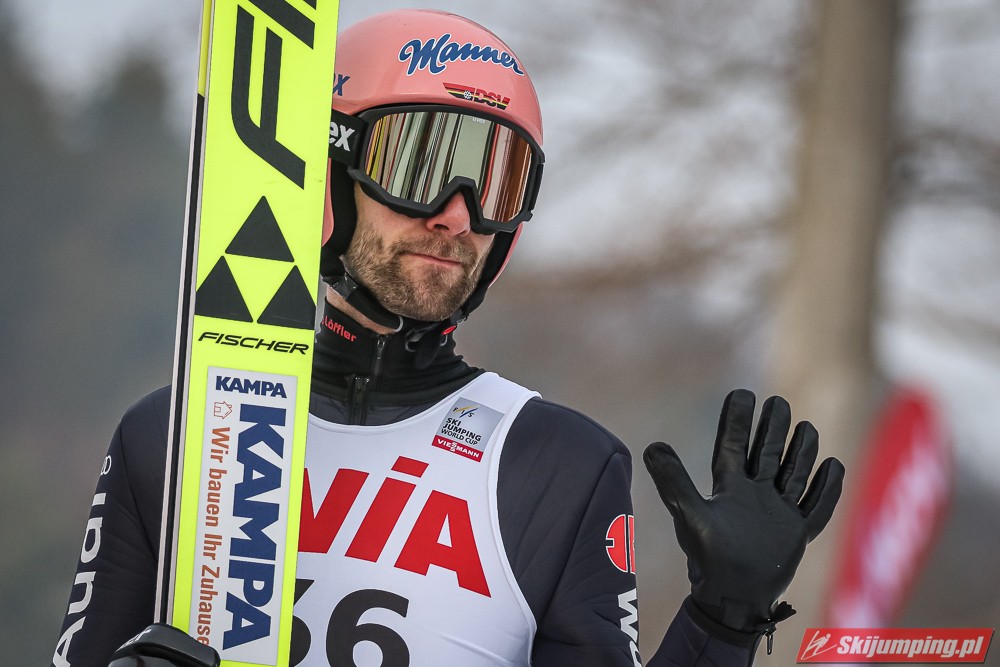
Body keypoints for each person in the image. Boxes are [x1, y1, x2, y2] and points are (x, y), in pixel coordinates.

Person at [52, 9, 844, 667]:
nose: (457, 215)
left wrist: (722, 622)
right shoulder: (172, 438)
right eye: (420, 162)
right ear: (330, 168)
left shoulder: (557, 467)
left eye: (495, 179)